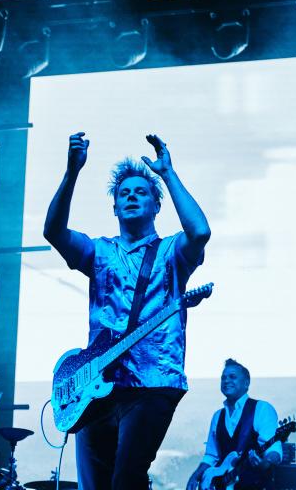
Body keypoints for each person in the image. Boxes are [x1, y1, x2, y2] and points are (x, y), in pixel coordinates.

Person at [43, 132, 211, 490]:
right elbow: (53, 232)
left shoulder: (171, 252)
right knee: (95, 486)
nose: (132, 196)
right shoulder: (98, 252)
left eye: (141, 192)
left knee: (126, 481)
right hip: (96, 386)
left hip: (152, 385)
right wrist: (72, 172)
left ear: (156, 206)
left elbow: (199, 232)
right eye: (124, 193)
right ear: (115, 208)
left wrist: (167, 173)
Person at [186, 359, 282, 490]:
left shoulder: (262, 409)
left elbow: (274, 450)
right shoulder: (217, 416)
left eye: (232, 377)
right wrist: (195, 476)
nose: (226, 381)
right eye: (223, 378)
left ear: (246, 383)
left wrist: (265, 463)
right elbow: (211, 456)